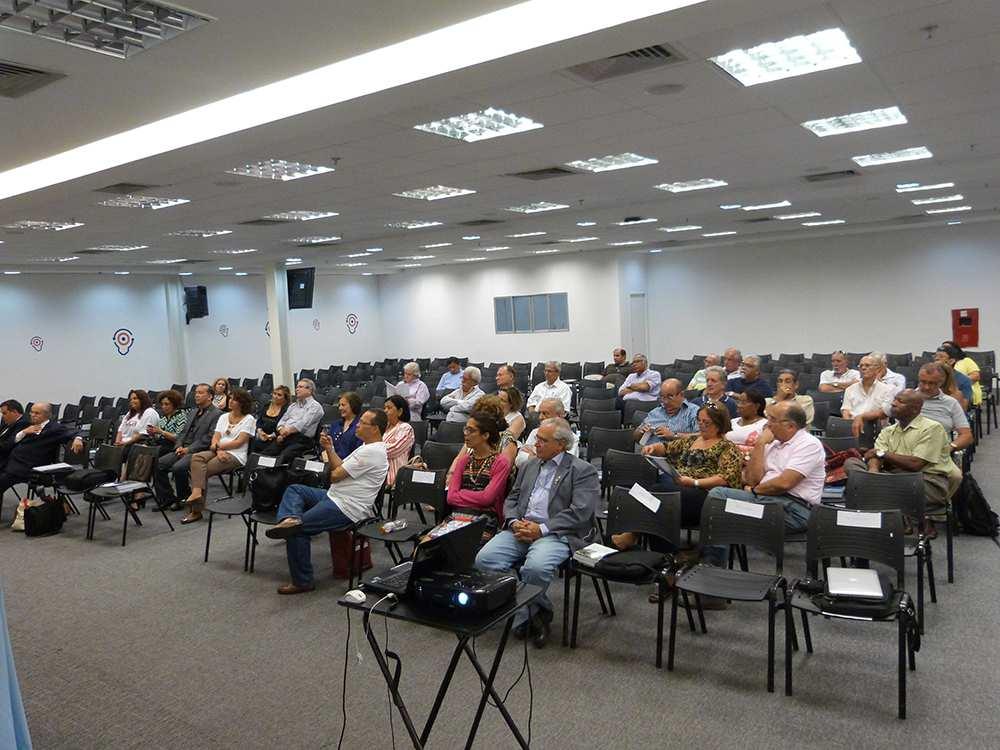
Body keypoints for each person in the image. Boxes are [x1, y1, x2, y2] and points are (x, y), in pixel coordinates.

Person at [476, 418, 599, 648]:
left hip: (556, 533)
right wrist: (513, 522)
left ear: (560, 445)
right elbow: (512, 497)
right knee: (485, 560)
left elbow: (580, 512)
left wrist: (541, 529)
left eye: (543, 440)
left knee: (535, 568)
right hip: (521, 526)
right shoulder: (530, 465)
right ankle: (536, 609)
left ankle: (525, 615)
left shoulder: (582, 471)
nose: (536, 443)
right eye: (537, 438)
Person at [266, 409, 389, 594]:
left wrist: (335, 472)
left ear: (375, 429)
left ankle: (303, 581)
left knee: (296, 531)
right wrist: (329, 449)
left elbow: (335, 475)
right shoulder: (366, 447)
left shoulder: (372, 451)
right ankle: (289, 519)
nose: (357, 425)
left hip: (346, 507)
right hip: (335, 496)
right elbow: (339, 468)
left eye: (363, 422)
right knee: (295, 489)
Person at [629, 405, 743, 571]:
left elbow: (726, 478)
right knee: (656, 504)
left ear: (719, 424)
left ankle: (634, 535)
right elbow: (667, 448)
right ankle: (669, 563)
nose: (701, 425)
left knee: (659, 495)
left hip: (705, 497)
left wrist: (695, 482)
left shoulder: (727, 447)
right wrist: (653, 448)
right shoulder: (692, 440)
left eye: (707, 422)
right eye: (699, 421)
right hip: (679, 494)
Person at [846, 389, 962, 535]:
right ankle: (894, 508)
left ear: (915, 408)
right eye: (895, 399)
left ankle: (888, 508)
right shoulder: (888, 431)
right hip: (891, 480)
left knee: (862, 486)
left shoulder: (932, 428)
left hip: (924, 483)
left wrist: (882, 454)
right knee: (851, 463)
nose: (893, 403)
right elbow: (875, 457)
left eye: (900, 401)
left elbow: (915, 465)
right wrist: (874, 471)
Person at [707, 402, 825, 532]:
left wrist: (754, 491)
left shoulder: (809, 444)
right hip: (766, 501)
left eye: (773, 420)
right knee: (719, 502)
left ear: (791, 426)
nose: (768, 424)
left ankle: (716, 550)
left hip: (794, 509)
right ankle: (718, 550)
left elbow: (784, 484)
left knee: (721, 500)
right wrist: (760, 444)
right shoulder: (773, 443)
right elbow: (751, 479)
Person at [181, 389, 256, 523]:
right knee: (196, 458)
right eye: (230, 398)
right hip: (218, 450)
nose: (230, 401)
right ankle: (197, 493)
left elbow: (239, 442)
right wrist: (218, 449)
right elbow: (215, 437)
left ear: (242, 403)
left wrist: (219, 448)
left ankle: (196, 510)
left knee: (201, 470)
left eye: (234, 399)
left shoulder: (249, 419)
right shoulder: (223, 416)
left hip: (236, 455)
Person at [154, 384, 222, 510]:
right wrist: (179, 445)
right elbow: (182, 433)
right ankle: (167, 498)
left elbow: (208, 438)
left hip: (199, 451)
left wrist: (188, 449)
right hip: (182, 448)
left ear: (210, 396)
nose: (196, 395)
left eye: (201, 393)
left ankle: (183, 498)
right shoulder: (193, 412)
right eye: (196, 392)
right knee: (159, 464)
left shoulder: (217, 414)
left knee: (178, 467)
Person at [447, 409, 513, 533]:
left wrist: (461, 493)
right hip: (457, 515)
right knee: (429, 545)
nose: (466, 434)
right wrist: (478, 497)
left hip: (486, 519)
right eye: (465, 429)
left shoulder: (500, 462)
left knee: (459, 543)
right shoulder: (464, 461)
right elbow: (451, 497)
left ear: (485, 435)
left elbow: (487, 498)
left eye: (471, 430)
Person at [0, 403, 85, 498]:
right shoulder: (29, 425)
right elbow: (11, 441)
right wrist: (24, 432)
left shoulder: (54, 428)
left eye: (37, 413)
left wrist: (78, 438)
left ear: (47, 415)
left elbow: (76, 431)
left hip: (26, 467)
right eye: (31, 412)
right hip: (12, 462)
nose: (32, 415)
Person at [916, 363, 973, 451]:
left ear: (940, 383)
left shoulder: (951, 403)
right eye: (923, 382)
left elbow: (966, 435)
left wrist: (950, 448)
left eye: (932, 383)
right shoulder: (907, 398)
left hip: (939, 451)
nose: (926, 387)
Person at [268, 379, 324, 461]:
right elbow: (282, 421)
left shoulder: (315, 407)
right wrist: (281, 431)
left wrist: (287, 431)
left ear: (309, 390)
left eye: (300, 387)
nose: (297, 389)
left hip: (302, 440)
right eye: (297, 387)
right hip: (285, 437)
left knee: (282, 458)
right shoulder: (293, 406)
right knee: (265, 455)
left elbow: (303, 425)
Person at [841, 355, 894, 439]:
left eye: (867, 365)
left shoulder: (888, 389)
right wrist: (849, 426)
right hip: (853, 428)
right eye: (861, 366)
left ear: (877, 369)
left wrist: (861, 417)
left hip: (876, 431)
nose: (863, 368)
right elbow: (845, 411)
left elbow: (883, 413)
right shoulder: (850, 389)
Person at [633, 379, 698, 447]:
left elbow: (702, 437)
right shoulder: (655, 412)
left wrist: (674, 435)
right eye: (663, 397)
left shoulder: (693, 412)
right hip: (647, 453)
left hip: (675, 455)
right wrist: (640, 432)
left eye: (670, 397)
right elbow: (636, 438)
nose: (666, 402)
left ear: (681, 395)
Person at [516, 399, 579, 467]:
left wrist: (532, 455)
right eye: (539, 413)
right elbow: (519, 461)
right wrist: (546, 457)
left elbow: (564, 466)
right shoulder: (535, 432)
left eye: (545, 413)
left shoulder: (571, 438)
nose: (540, 417)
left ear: (559, 416)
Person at [115, 389, 159, 463]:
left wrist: (124, 444)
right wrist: (117, 442)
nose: (132, 401)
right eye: (131, 399)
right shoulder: (130, 414)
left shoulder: (149, 412)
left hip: (138, 444)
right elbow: (120, 430)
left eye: (135, 398)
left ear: (143, 399)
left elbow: (142, 435)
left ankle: (123, 474)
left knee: (124, 452)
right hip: (124, 443)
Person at [382, 395, 415, 486]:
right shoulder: (383, 427)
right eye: (384, 408)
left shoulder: (405, 428)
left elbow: (394, 450)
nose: (385, 411)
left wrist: (373, 450)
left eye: (389, 408)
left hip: (393, 473)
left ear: (400, 411)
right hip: (377, 468)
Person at [145, 390, 189, 458]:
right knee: (140, 449)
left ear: (174, 404)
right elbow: (159, 436)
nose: (163, 407)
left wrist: (161, 432)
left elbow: (178, 438)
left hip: (172, 446)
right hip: (161, 444)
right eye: (162, 404)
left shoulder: (181, 416)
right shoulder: (163, 418)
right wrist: (153, 433)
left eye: (166, 404)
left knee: (149, 453)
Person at [250, 385, 290, 454]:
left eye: (279, 395)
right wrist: (260, 431)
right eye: (274, 394)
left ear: (285, 398)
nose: (275, 396)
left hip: (275, 438)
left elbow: (284, 427)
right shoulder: (267, 405)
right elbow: (259, 421)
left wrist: (270, 436)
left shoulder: (287, 410)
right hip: (261, 435)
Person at [941, 341, 982, 406]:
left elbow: (976, 376)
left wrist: (959, 381)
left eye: (947, 348)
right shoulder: (939, 363)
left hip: (965, 388)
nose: (944, 350)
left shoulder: (966, 361)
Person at [328, 392, 363, 459]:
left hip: (350, 465)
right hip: (331, 462)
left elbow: (359, 452)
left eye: (343, 405)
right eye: (339, 405)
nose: (340, 408)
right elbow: (326, 446)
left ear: (353, 406)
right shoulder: (335, 424)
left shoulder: (361, 426)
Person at [0, 400, 30, 471]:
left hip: (6, 460)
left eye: (4, 413)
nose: (3, 416)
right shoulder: (7, 421)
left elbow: (7, 445)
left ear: (14, 412)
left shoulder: (24, 423)